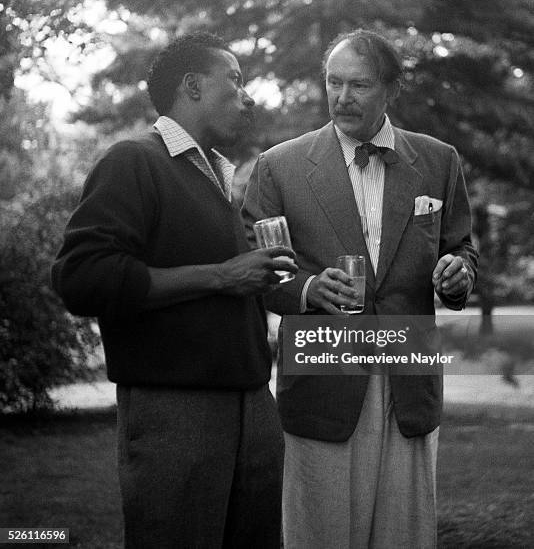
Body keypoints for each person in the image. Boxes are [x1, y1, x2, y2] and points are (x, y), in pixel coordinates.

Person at [52, 31, 298, 549]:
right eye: (234, 81)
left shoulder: (216, 178)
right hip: (177, 415)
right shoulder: (133, 161)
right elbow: (81, 277)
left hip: (252, 407)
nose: (247, 96)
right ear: (192, 86)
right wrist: (222, 275)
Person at [242, 29, 478, 548]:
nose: (342, 97)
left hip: (410, 372)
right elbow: (258, 266)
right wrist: (305, 290)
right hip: (323, 370)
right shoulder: (279, 166)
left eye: (359, 85)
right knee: (319, 534)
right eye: (334, 82)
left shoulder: (439, 161)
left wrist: (459, 275)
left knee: (405, 534)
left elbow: (461, 250)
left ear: (391, 90)